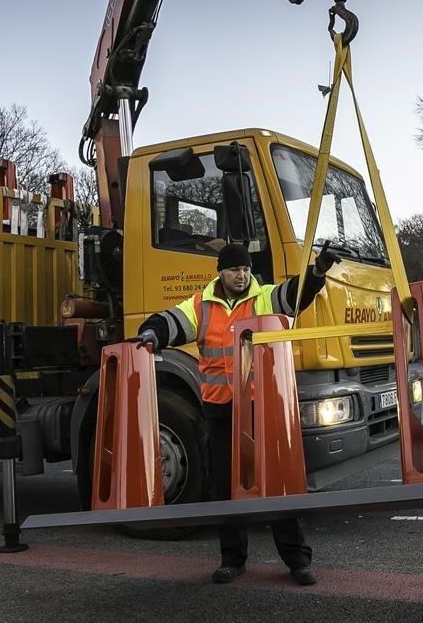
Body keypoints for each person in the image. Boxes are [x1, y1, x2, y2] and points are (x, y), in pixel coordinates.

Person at [135, 242, 339, 586]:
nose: (241, 275)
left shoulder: (264, 297)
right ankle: (232, 560)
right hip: (220, 408)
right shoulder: (201, 304)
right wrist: (152, 330)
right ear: (221, 272)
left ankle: (297, 560)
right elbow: (170, 321)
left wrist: (317, 272)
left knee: (275, 485)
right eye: (234, 270)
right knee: (224, 487)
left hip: (259, 405)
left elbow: (295, 294)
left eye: (245, 269)